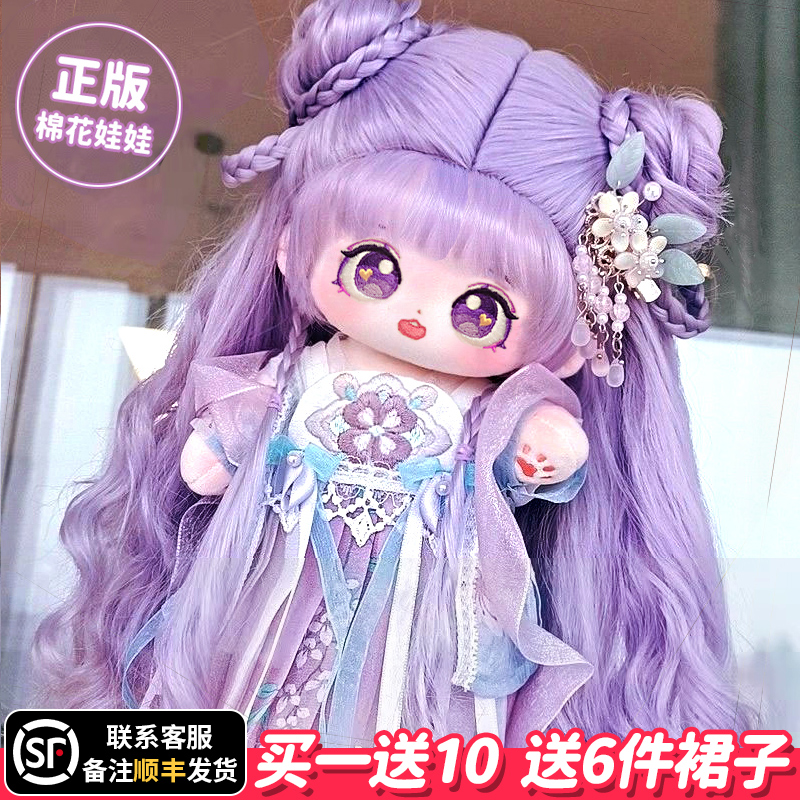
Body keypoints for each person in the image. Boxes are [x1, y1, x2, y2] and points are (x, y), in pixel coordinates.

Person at [35, 0, 749, 746]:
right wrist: (223, 445)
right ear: (290, 245)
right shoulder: (296, 380)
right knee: (250, 687)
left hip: (429, 613)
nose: (414, 317)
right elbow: (239, 432)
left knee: (412, 710)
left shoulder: (484, 414)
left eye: (480, 309)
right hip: (280, 580)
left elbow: (539, 450)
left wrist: (538, 446)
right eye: (374, 267)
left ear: (568, 343)